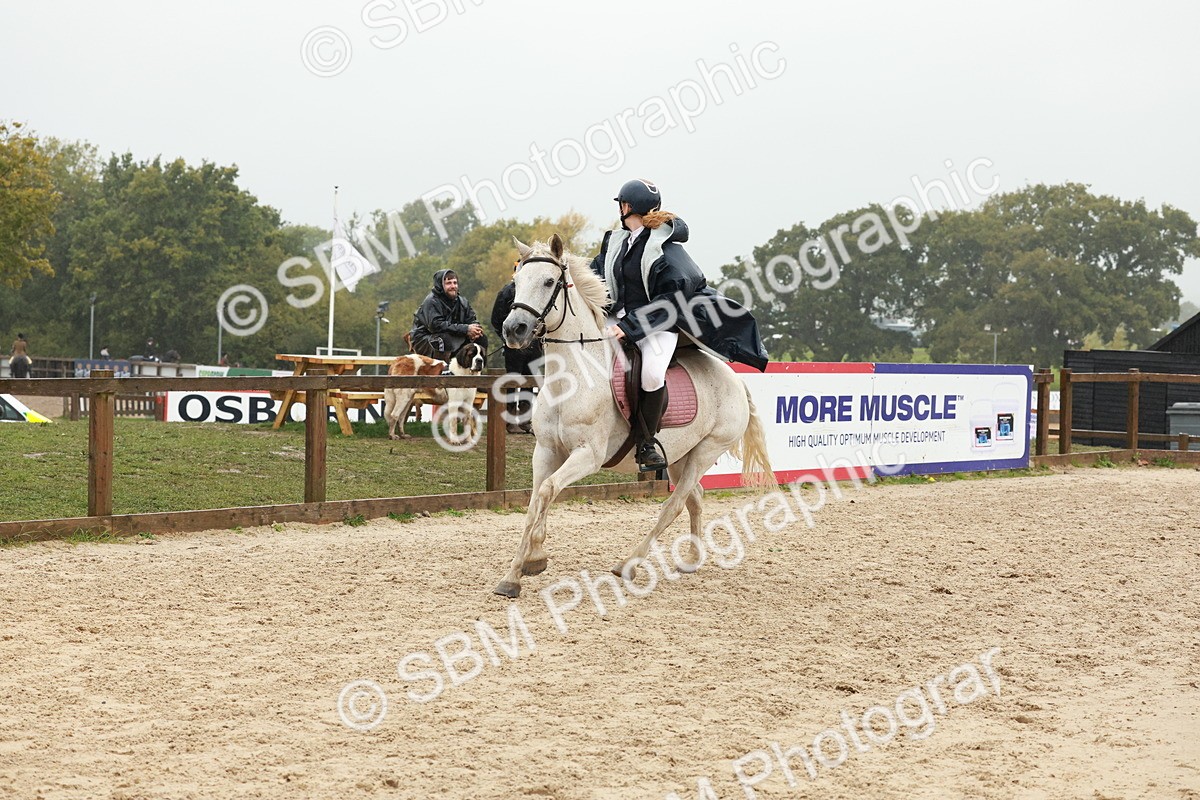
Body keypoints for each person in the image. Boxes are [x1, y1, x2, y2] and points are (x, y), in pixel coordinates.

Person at [590, 178, 769, 471]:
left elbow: (672, 301)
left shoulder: (667, 249)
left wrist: (631, 327)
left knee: (650, 372)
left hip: (658, 326)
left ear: (627, 207)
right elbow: (595, 276)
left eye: (621, 205)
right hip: (617, 319)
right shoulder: (618, 244)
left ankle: (647, 443)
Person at [491, 262, 543, 434]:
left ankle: (525, 419)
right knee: (513, 381)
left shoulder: (535, 293)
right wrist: (506, 338)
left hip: (534, 345)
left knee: (529, 381)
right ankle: (510, 420)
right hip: (513, 345)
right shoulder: (506, 292)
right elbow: (496, 319)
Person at [410, 269, 487, 364]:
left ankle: (475, 370)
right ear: (440, 285)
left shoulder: (462, 302)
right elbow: (435, 326)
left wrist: (475, 330)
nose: (453, 286)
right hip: (426, 338)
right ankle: (443, 372)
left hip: (452, 334)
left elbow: (472, 319)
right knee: (442, 340)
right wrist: (465, 329)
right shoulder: (431, 301)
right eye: (448, 283)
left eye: (455, 283)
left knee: (481, 338)